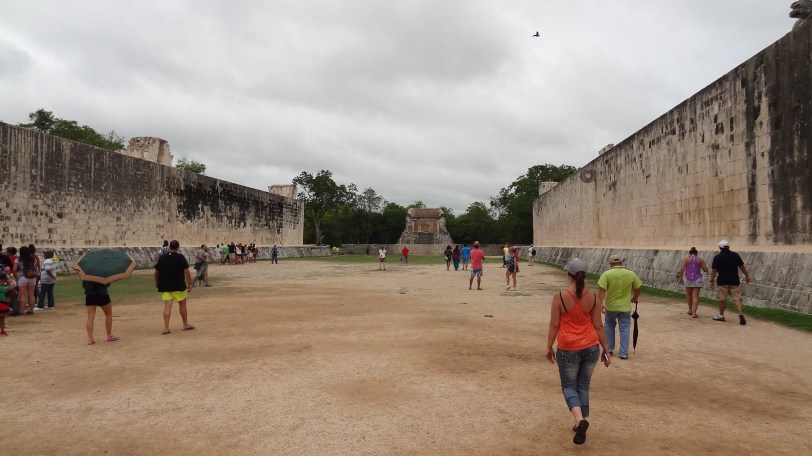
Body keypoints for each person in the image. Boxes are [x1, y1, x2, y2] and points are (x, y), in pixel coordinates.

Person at [546, 258, 611, 445]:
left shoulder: (560, 296)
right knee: (583, 386)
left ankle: (580, 420)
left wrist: (549, 346)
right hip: (590, 346)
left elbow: (554, 324)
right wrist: (606, 350)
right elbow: (598, 325)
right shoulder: (594, 297)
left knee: (568, 386)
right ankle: (581, 421)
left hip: (568, 347)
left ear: (569, 275)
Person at [597, 255, 643, 360]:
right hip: (625, 307)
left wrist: (600, 304)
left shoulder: (606, 274)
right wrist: (634, 298)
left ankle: (609, 348)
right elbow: (638, 288)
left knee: (609, 326)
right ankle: (623, 353)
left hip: (611, 306)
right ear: (621, 263)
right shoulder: (631, 274)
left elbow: (601, 292)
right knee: (625, 328)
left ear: (610, 264)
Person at [154, 240, 195, 335]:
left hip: (165, 285)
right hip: (178, 285)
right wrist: (189, 284)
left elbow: (156, 272)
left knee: (167, 306)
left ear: (169, 247)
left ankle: (166, 328)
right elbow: (186, 271)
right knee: (182, 305)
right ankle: (185, 324)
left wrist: (157, 283)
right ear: (178, 247)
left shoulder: (163, 257)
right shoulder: (180, 257)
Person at [709, 240, 751, 325]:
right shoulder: (735, 255)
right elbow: (742, 267)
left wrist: (712, 280)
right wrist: (747, 275)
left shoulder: (717, 257)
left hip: (723, 281)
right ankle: (740, 313)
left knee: (722, 299)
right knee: (737, 298)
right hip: (734, 280)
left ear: (720, 247)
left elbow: (714, 270)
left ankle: (721, 315)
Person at [83, 280, 119, 345]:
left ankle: (90, 339)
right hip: (102, 294)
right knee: (108, 314)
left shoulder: (88, 273)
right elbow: (107, 283)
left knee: (90, 316)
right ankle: (109, 335)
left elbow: (84, 285)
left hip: (90, 295)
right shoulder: (102, 272)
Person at [678, 247, 708, 318]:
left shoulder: (686, 259)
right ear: (696, 253)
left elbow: (682, 269)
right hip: (697, 279)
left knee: (689, 295)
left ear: (690, 253)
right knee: (695, 296)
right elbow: (706, 269)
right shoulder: (700, 260)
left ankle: (690, 310)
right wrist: (701, 265)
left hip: (688, 278)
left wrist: (680, 277)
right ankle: (694, 313)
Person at [13, 246, 39, 315]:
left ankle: (22, 310)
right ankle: (31, 310)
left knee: (23, 296)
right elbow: (35, 267)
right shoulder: (33, 259)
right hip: (32, 277)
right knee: (31, 295)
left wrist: (16, 277)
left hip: (22, 277)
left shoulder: (18, 259)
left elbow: (14, 269)